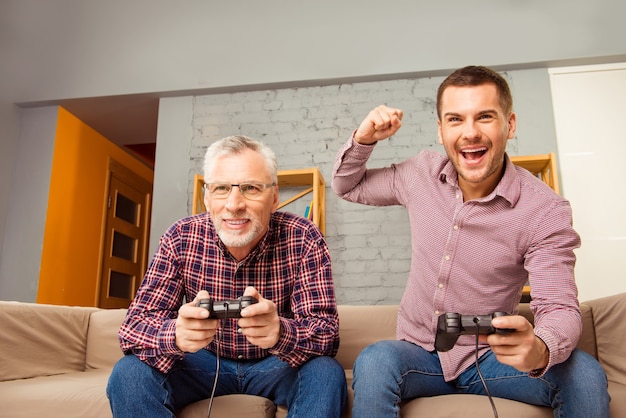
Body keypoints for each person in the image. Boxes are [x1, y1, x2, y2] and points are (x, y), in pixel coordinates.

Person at [331, 66, 610, 417]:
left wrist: (540, 347)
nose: (470, 133)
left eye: (485, 117)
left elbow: (559, 307)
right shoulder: (420, 174)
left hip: (491, 359)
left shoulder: (545, 210)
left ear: (509, 124)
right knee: (374, 360)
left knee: (583, 373)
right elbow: (347, 186)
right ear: (440, 129)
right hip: (417, 354)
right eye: (455, 119)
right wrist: (364, 139)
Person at [107, 135, 347, 417]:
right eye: (221, 188)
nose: (234, 204)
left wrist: (281, 332)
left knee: (326, 372)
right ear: (207, 198)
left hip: (276, 364)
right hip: (201, 364)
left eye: (251, 188)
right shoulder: (181, 236)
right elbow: (132, 330)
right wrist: (176, 334)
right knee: (130, 372)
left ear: (274, 198)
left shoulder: (304, 237)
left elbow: (327, 336)